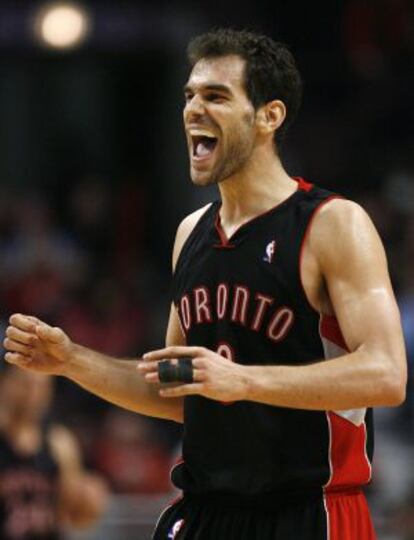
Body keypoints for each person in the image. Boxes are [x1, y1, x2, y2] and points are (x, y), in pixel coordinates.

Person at [3, 28, 407, 540]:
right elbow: (179, 394)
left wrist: (243, 381)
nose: (193, 109)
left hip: (309, 511)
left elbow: (387, 374)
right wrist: (71, 361)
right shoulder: (190, 233)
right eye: (189, 95)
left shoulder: (332, 223)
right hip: (206, 512)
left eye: (216, 96)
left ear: (269, 116)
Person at [0, 365, 108, 539]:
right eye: (26, 384)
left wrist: (87, 501)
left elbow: (76, 517)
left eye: (40, 386)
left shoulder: (59, 441)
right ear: (5, 383)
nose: (33, 394)